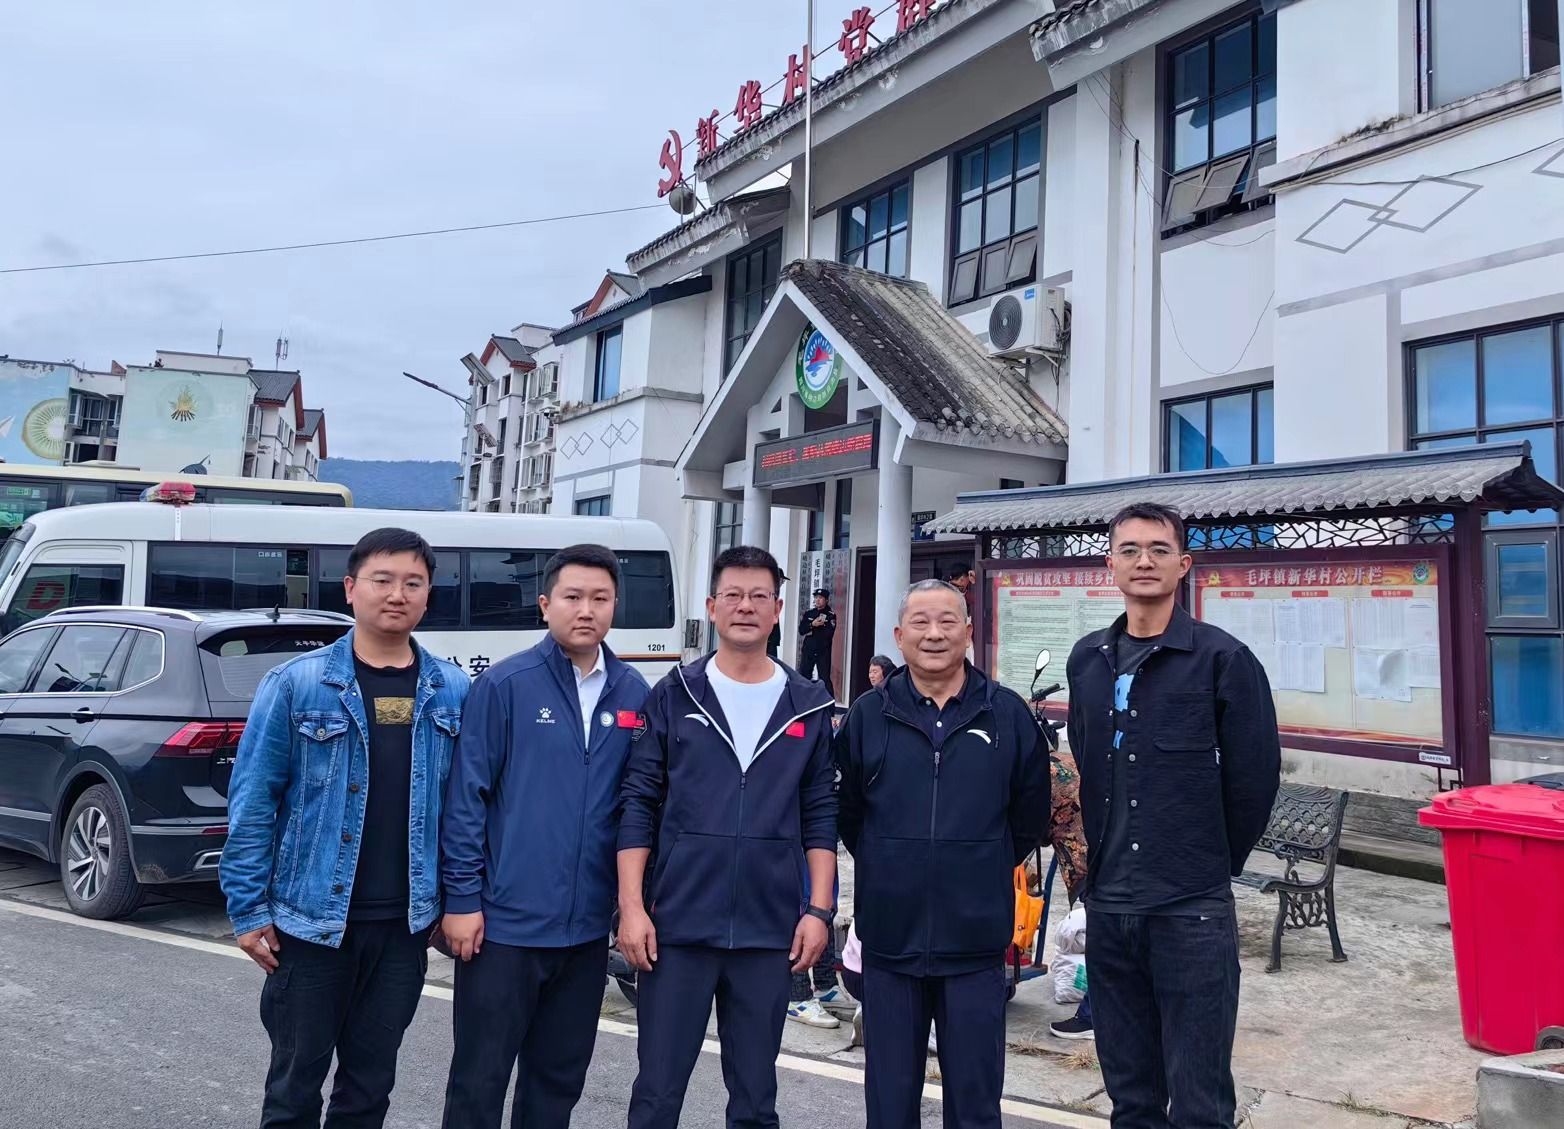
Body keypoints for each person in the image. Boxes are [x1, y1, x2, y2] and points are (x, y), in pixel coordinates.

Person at [221, 528, 469, 1129]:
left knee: (370, 1086)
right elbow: (252, 801)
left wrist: (458, 900)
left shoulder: (453, 690)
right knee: (294, 1087)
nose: (397, 594)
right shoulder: (297, 683)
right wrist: (247, 910)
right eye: (383, 580)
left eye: (413, 583)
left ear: (428, 595)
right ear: (352, 588)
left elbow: (465, 810)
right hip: (310, 923)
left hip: (405, 926)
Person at [1065, 502, 1281, 1128]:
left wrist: (1209, 862)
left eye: (1159, 549)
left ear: (1183, 565)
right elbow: (1088, 757)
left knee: (1199, 1101)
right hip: (1111, 905)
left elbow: (1253, 779)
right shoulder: (1087, 659)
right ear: (1109, 564)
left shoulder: (1223, 659)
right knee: (1131, 1097)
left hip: (1191, 908)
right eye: (1129, 549)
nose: (1144, 561)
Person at [617, 545, 839, 1129]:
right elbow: (638, 804)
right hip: (677, 927)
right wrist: (632, 909)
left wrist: (818, 910)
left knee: (756, 1100)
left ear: (778, 610)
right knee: (657, 1094)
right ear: (712, 607)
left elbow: (820, 814)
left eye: (759, 596)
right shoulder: (674, 694)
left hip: (769, 931)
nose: (746, 606)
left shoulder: (807, 705)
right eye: (733, 595)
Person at [440, 544, 651, 1129]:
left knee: (557, 1084)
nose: (586, 610)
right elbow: (466, 799)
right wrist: (462, 900)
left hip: (585, 932)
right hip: (503, 927)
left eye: (600, 598)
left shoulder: (634, 692)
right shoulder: (506, 684)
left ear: (615, 605)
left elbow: (639, 806)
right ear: (545, 604)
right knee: (479, 1080)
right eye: (572, 596)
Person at [837, 579, 1049, 1129]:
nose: (934, 634)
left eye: (948, 621)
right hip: (890, 942)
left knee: (976, 1105)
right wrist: (892, 862)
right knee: (889, 1104)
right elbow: (848, 814)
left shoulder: (1007, 714)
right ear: (899, 635)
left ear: (969, 632)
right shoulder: (867, 716)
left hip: (975, 945)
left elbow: (1029, 817)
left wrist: (977, 863)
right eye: (921, 622)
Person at [798, 587, 837, 694]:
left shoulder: (831, 615)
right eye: (816, 598)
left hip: (823, 652)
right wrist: (812, 624)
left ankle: (829, 703)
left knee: (824, 678)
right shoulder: (809, 613)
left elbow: (829, 633)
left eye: (820, 598)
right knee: (804, 677)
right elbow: (801, 630)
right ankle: (802, 701)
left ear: (826, 600)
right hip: (808, 650)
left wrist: (820, 627)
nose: (817, 600)